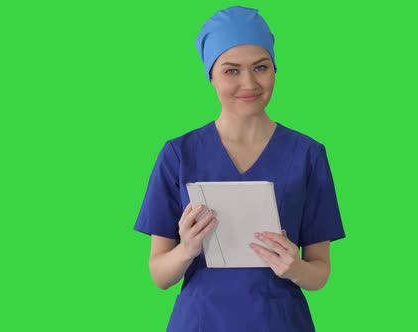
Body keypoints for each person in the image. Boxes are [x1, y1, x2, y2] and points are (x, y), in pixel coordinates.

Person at [134, 6, 345, 331]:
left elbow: (320, 272)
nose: (249, 83)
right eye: (231, 71)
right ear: (211, 75)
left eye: (261, 67)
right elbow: (160, 275)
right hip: (201, 322)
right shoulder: (178, 154)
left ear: (275, 69)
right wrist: (187, 250)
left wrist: (295, 268)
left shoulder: (308, 155)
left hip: (281, 322)